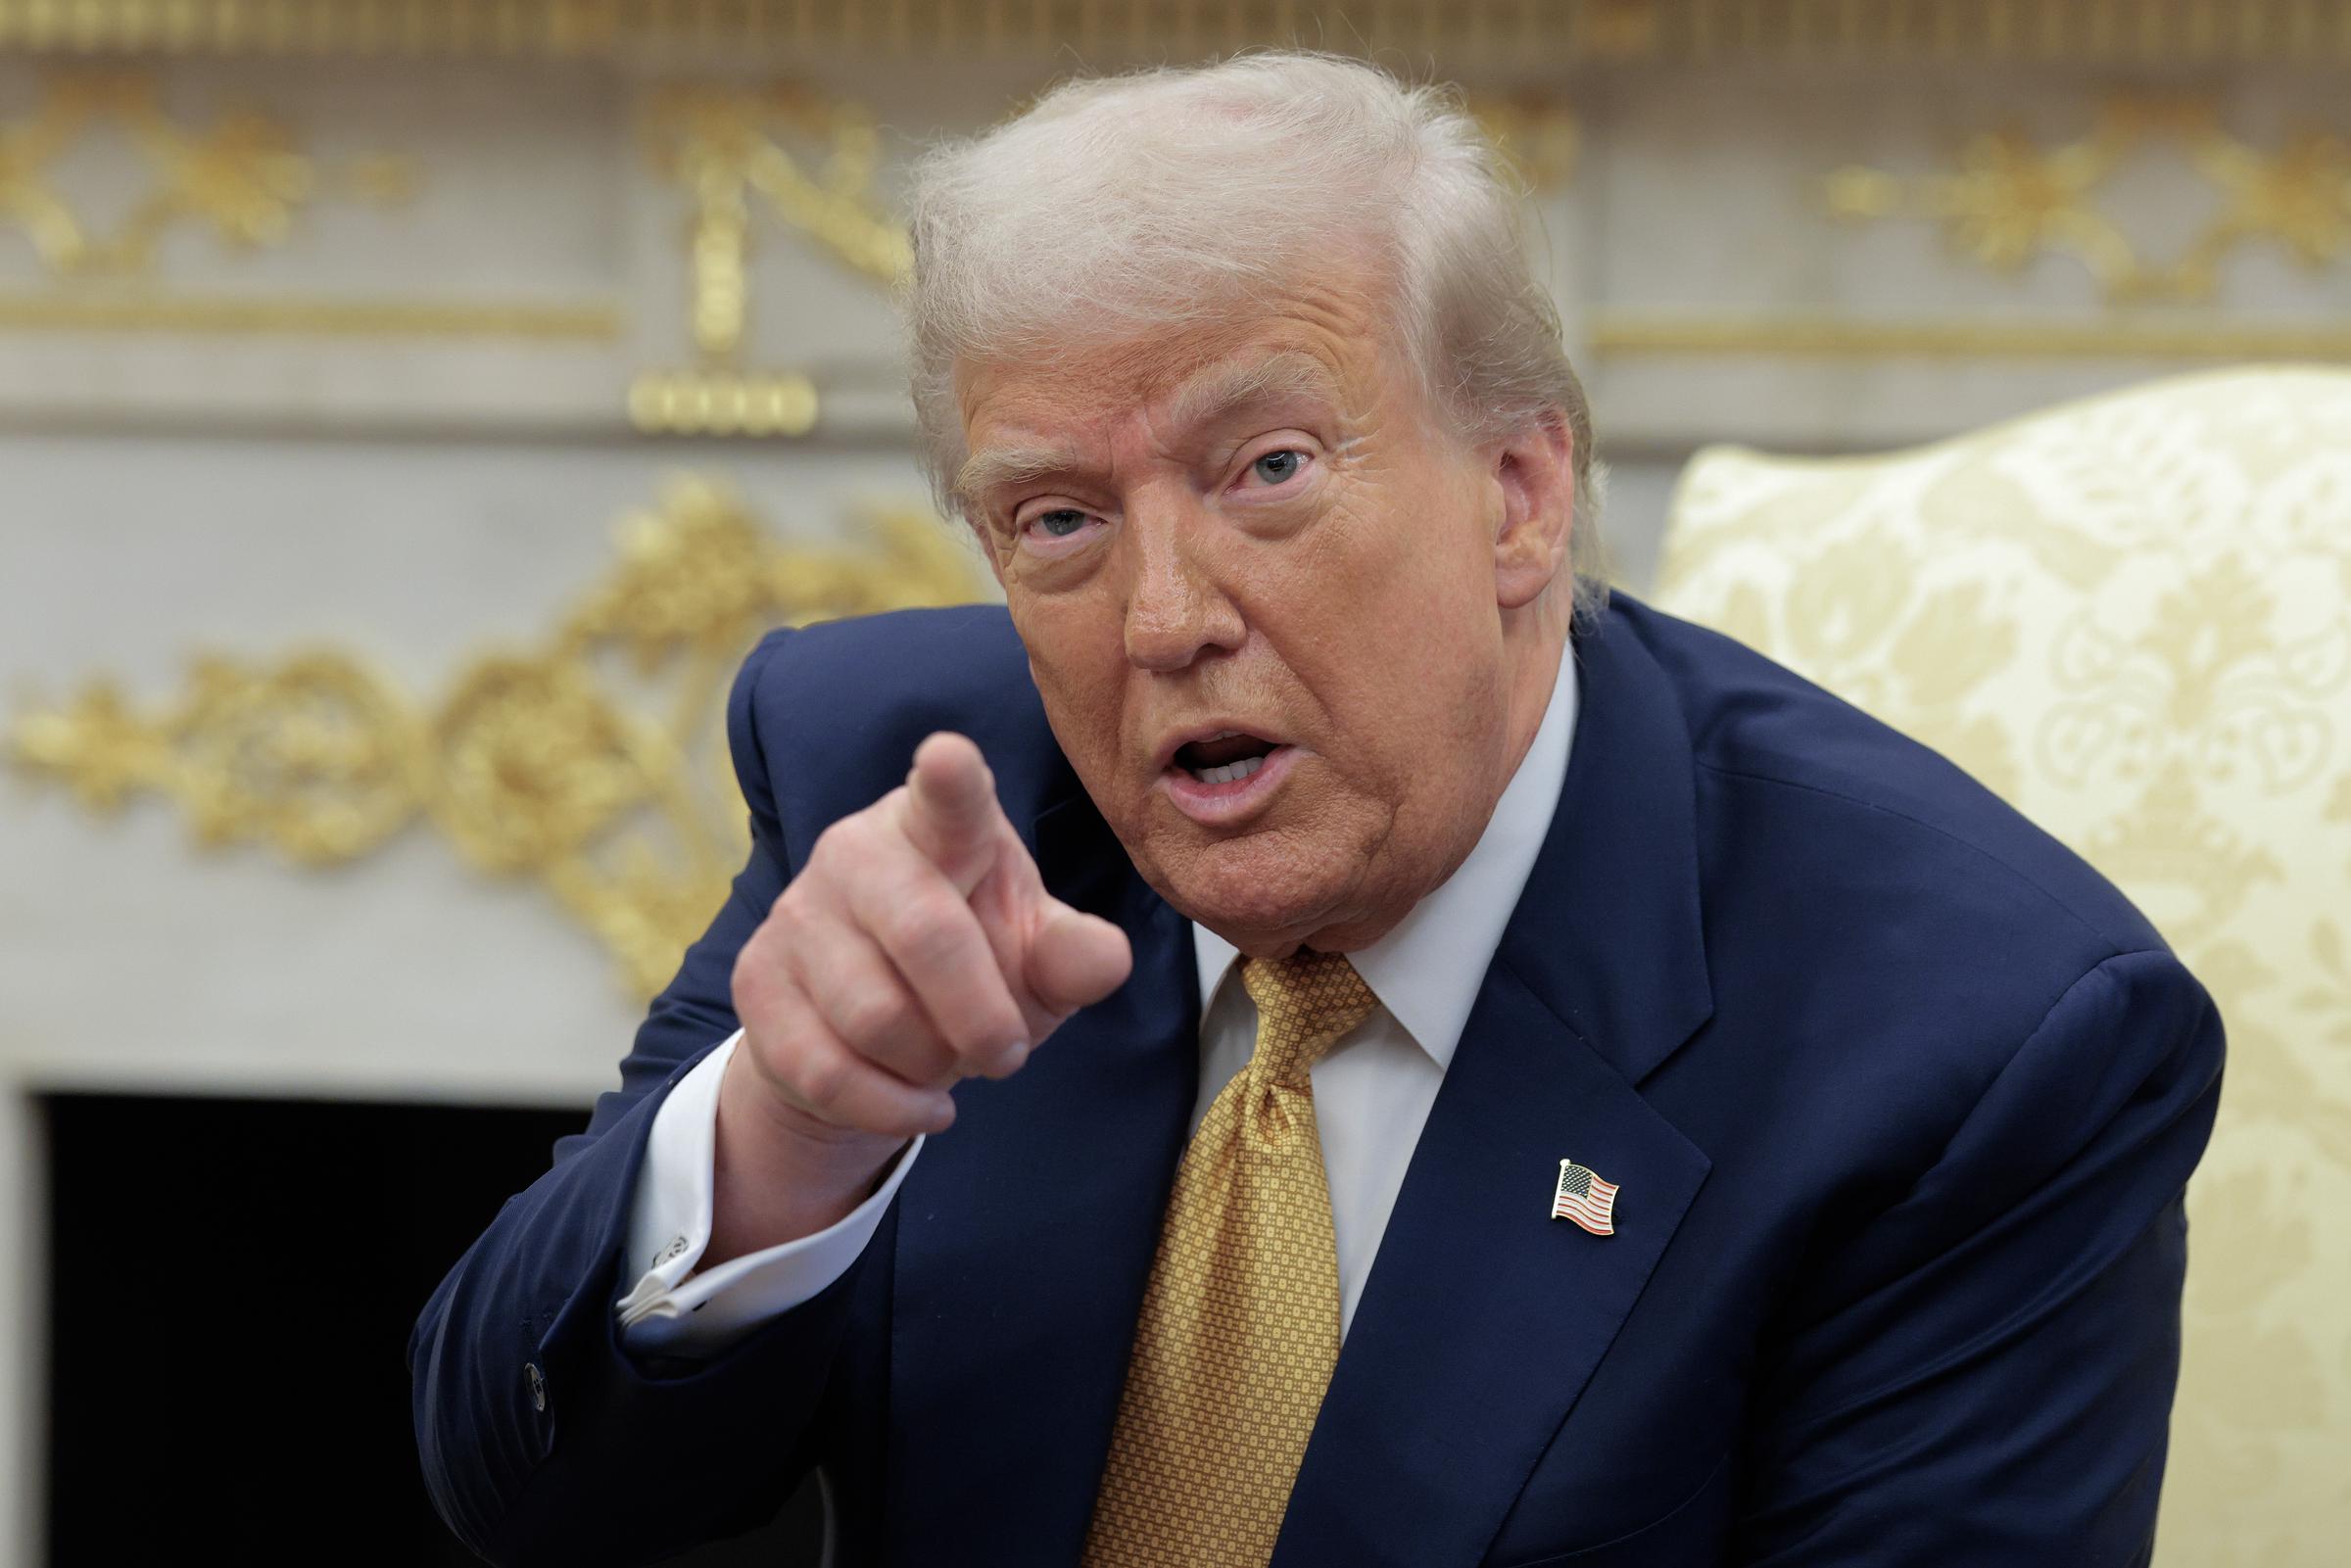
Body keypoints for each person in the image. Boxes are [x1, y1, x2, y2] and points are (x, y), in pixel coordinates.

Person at [410, 52, 2224, 1568]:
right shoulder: (917, 795)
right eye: (1058, 517)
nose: (1164, 615)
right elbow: (522, 1482)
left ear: (1518, 494)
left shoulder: (1971, 1046)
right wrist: (782, 1134)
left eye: (1266, 469)